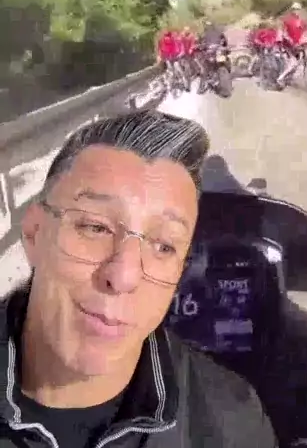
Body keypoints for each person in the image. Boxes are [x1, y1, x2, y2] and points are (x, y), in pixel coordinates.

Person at [0, 110, 278, 448]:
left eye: (164, 246)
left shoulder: (230, 425)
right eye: (95, 227)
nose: (123, 276)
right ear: (34, 233)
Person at [276, 2, 307, 88]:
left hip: (297, 44)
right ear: (292, 10)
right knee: (293, 63)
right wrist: (288, 40)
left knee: (297, 62)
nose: (297, 11)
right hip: (288, 44)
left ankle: (290, 77)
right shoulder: (287, 20)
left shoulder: (300, 20)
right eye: (295, 9)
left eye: (298, 9)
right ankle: (280, 78)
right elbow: (283, 32)